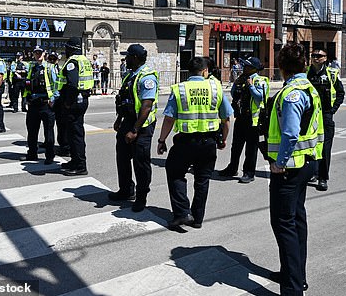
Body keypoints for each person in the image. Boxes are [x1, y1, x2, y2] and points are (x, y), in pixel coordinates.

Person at [268, 42, 324, 295]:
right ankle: (295, 274)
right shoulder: (308, 87)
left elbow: (290, 134)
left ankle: (292, 288)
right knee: (297, 220)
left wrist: (279, 164)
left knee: (284, 225)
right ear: (303, 64)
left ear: (282, 67)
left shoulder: (292, 93)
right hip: (307, 164)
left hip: (290, 168)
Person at [157, 57, 232, 230]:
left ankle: (183, 212)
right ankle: (197, 219)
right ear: (205, 71)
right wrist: (223, 139)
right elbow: (227, 118)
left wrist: (162, 140)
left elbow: (169, 119)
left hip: (185, 142)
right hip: (208, 142)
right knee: (202, 180)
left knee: (175, 173)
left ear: (188, 71)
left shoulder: (180, 89)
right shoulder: (215, 88)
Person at [110, 44, 159, 212]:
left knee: (141, 162)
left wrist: (135, 130)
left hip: (142, 126)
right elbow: (125, 100)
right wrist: (119, 120)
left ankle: (141, 197)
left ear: (136, 58)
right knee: (122, 157)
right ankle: (126, 190)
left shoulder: (147, 78)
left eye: (128, 56)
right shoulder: (130, 75)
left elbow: (146, 106)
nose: (126, 59)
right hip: (128, 122)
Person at [218, 57, 270, 183]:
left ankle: (249, 172)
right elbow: (233, 94)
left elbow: (260, 98)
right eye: (245, 65)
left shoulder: (260, 80)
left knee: (251, 149)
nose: (245, 68)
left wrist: (251, 86)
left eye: (247, 66)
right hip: (240, 117)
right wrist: (236, 83)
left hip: (254, 120)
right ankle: (232, 168)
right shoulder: (242, 78)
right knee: (236, 146)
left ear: (254, 68)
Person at [307, 49, 345, 191]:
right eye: (313, 56)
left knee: (324, 149)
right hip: (309, 117)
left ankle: (323, 178)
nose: (316, 58)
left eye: (319, 56)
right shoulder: (305, 74)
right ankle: (313, 173)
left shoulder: (332, 74)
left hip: (325, 116)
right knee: (309, 146)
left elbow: (340, 93)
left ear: (325, 58)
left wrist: (332, 110)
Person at [56, 37, 94, 175]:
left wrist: (67, 103)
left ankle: (80, 165)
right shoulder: (84, 60)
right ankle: (74, 160)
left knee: (75, 134)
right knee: (74, 133)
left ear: (71, 48)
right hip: (81, 100)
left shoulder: (73, 62)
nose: (65, 50)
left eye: (67, 47)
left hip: (74, 102)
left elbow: (72, 84)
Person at [23, 46, 59, 163]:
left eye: (40, 53)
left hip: (45, 104)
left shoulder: (50, 67)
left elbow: (57, 85)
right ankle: (32, 154)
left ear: (44, 54)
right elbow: (28, 83)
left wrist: (52, 99)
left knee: (48, 132)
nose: (38, 55)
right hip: (33, 104)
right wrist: (26, 98)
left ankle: (49, 156)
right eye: (36, 53)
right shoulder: (32, 67)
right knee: (32, 131)